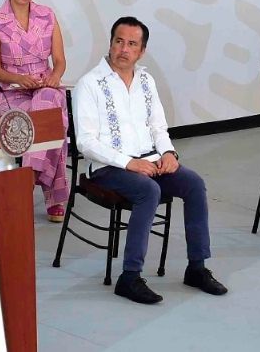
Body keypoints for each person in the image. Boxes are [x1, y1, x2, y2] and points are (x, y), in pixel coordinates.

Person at [73, 17, 227, 304]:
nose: (123, 49)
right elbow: (86, 142)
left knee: (194, 183)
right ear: (110, 43)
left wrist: (169, 152)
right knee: (149, 190)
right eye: (119, 41)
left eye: (132, 44)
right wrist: (128, 163)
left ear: (142, 51)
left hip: (150, 161)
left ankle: (196, 267)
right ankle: (129, 277)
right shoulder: (89, 84)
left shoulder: (146, 80)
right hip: (108, 168)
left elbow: (158, 127)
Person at [0, 0, 69, 222]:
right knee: (50, 120)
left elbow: (59, 60)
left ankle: (29, 177)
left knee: (49, 102)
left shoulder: (47, 15)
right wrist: (19, 78)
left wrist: (54, 77)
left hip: (44, 85)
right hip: (10, 90)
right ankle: (54, 196)